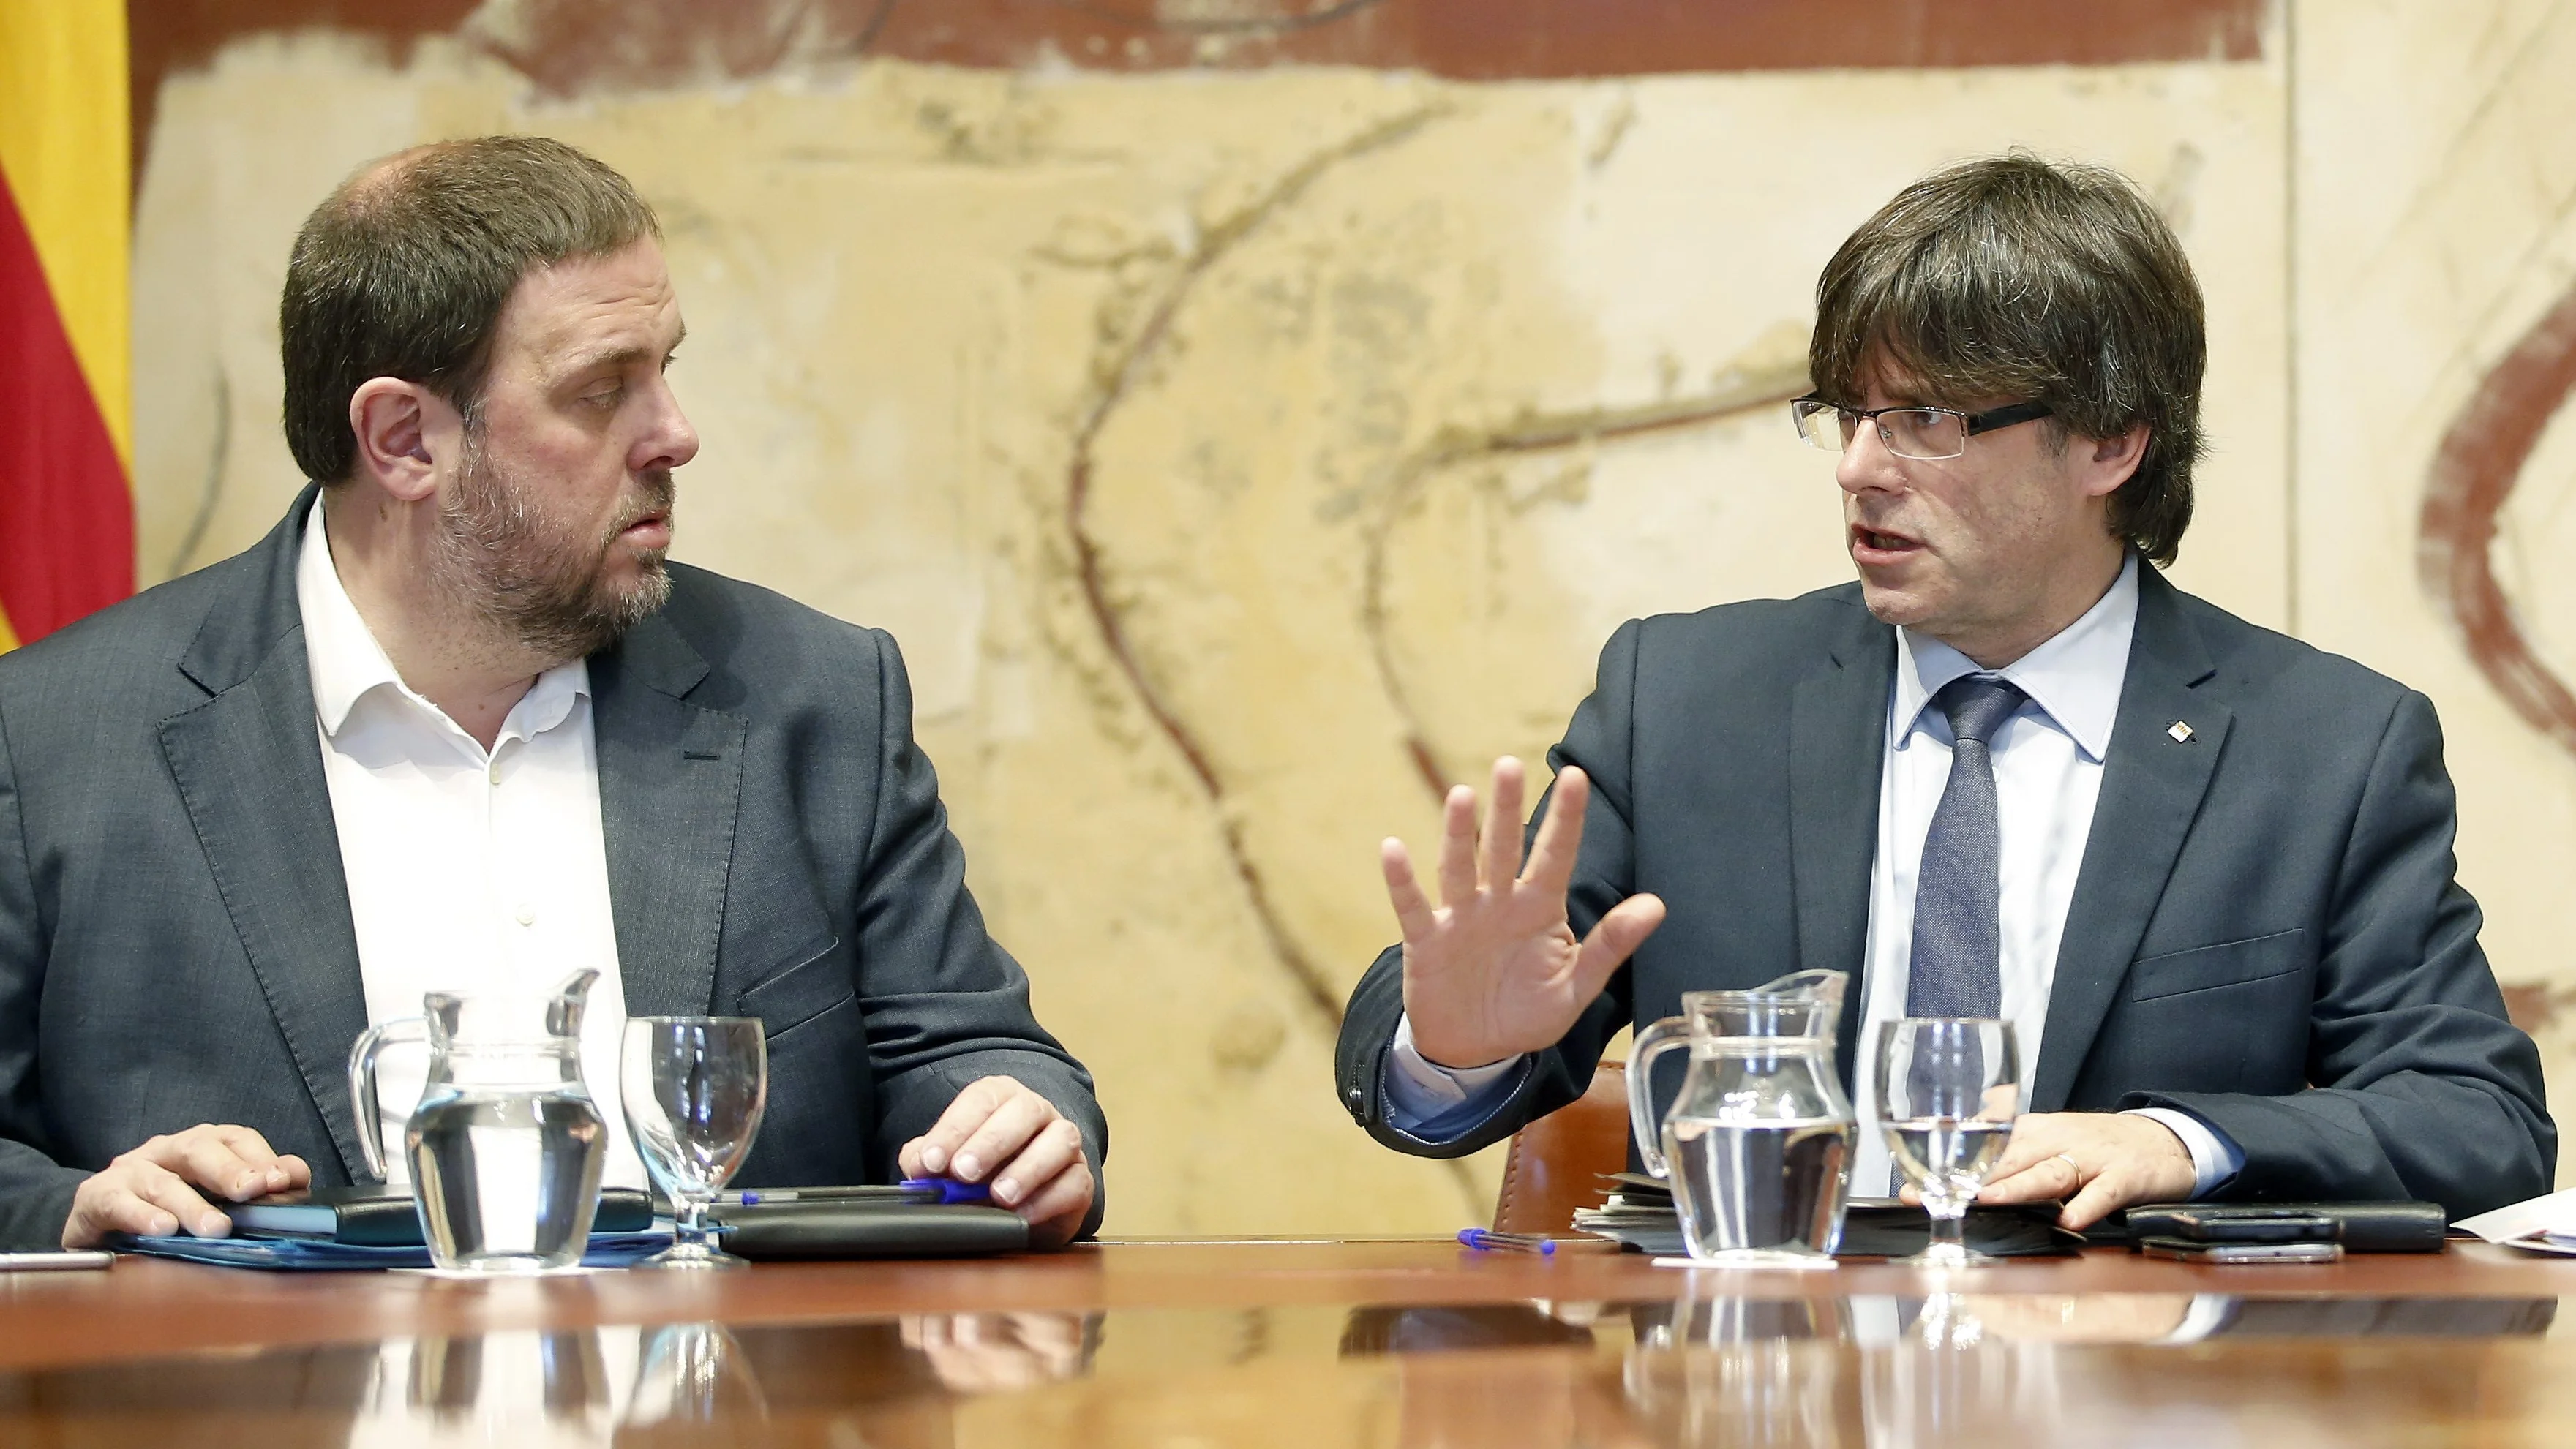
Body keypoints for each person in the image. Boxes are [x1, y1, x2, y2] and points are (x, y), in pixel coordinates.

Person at [1334, 152, 2553, 1225]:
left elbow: (2477, 1120)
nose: (1861, 469)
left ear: (2109, 442)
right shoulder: (1688, 701)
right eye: (1847, 415)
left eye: (1924, 418)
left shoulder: (2323, 748)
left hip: (2141, 1390)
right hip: (1759, 1386)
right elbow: (1507, 1000)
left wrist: (2173, 1140)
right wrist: (1453, 1046)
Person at [0, 137, 1103, 1251]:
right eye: (602, 391)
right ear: (403, 439)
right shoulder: (53, 744)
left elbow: (963, 1053)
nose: (675, 433)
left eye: (665, 368)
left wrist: (1019, 1122)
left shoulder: (812, 701)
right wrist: (74, 1212)